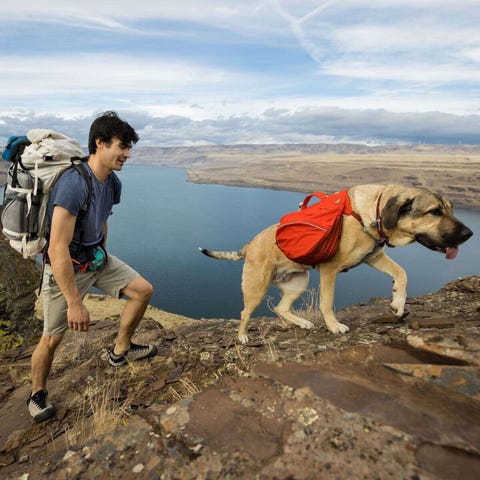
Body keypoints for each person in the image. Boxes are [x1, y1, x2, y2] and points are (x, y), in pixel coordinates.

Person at [27, 111, 156, 423]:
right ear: (100, 143)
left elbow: (102, 221)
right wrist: (75, 302)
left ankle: (120, 351)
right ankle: (36, 395)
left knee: (142, 291)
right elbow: (57, 247)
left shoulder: (112, 182)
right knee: (52, 338)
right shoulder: (73, 184)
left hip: (96, 258)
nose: (127, 154)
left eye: (129, 148)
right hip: (67, 267)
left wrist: (103, 254)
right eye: (122, 146)